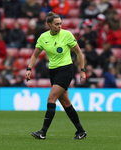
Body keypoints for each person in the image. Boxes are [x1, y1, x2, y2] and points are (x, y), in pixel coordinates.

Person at [26, 11, 86, 140]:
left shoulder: (67, 35)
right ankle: (81, 131)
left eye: (60, 24)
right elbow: (35, 55)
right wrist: (29, 68)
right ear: (49, 25)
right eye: (57, 24)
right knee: (65, 103)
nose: (60, 26)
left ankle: (43, 132)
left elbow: (79, 53)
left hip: (66, 69)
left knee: (51, 97)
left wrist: (82, 70)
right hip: (53, 71)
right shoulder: (43, 37)